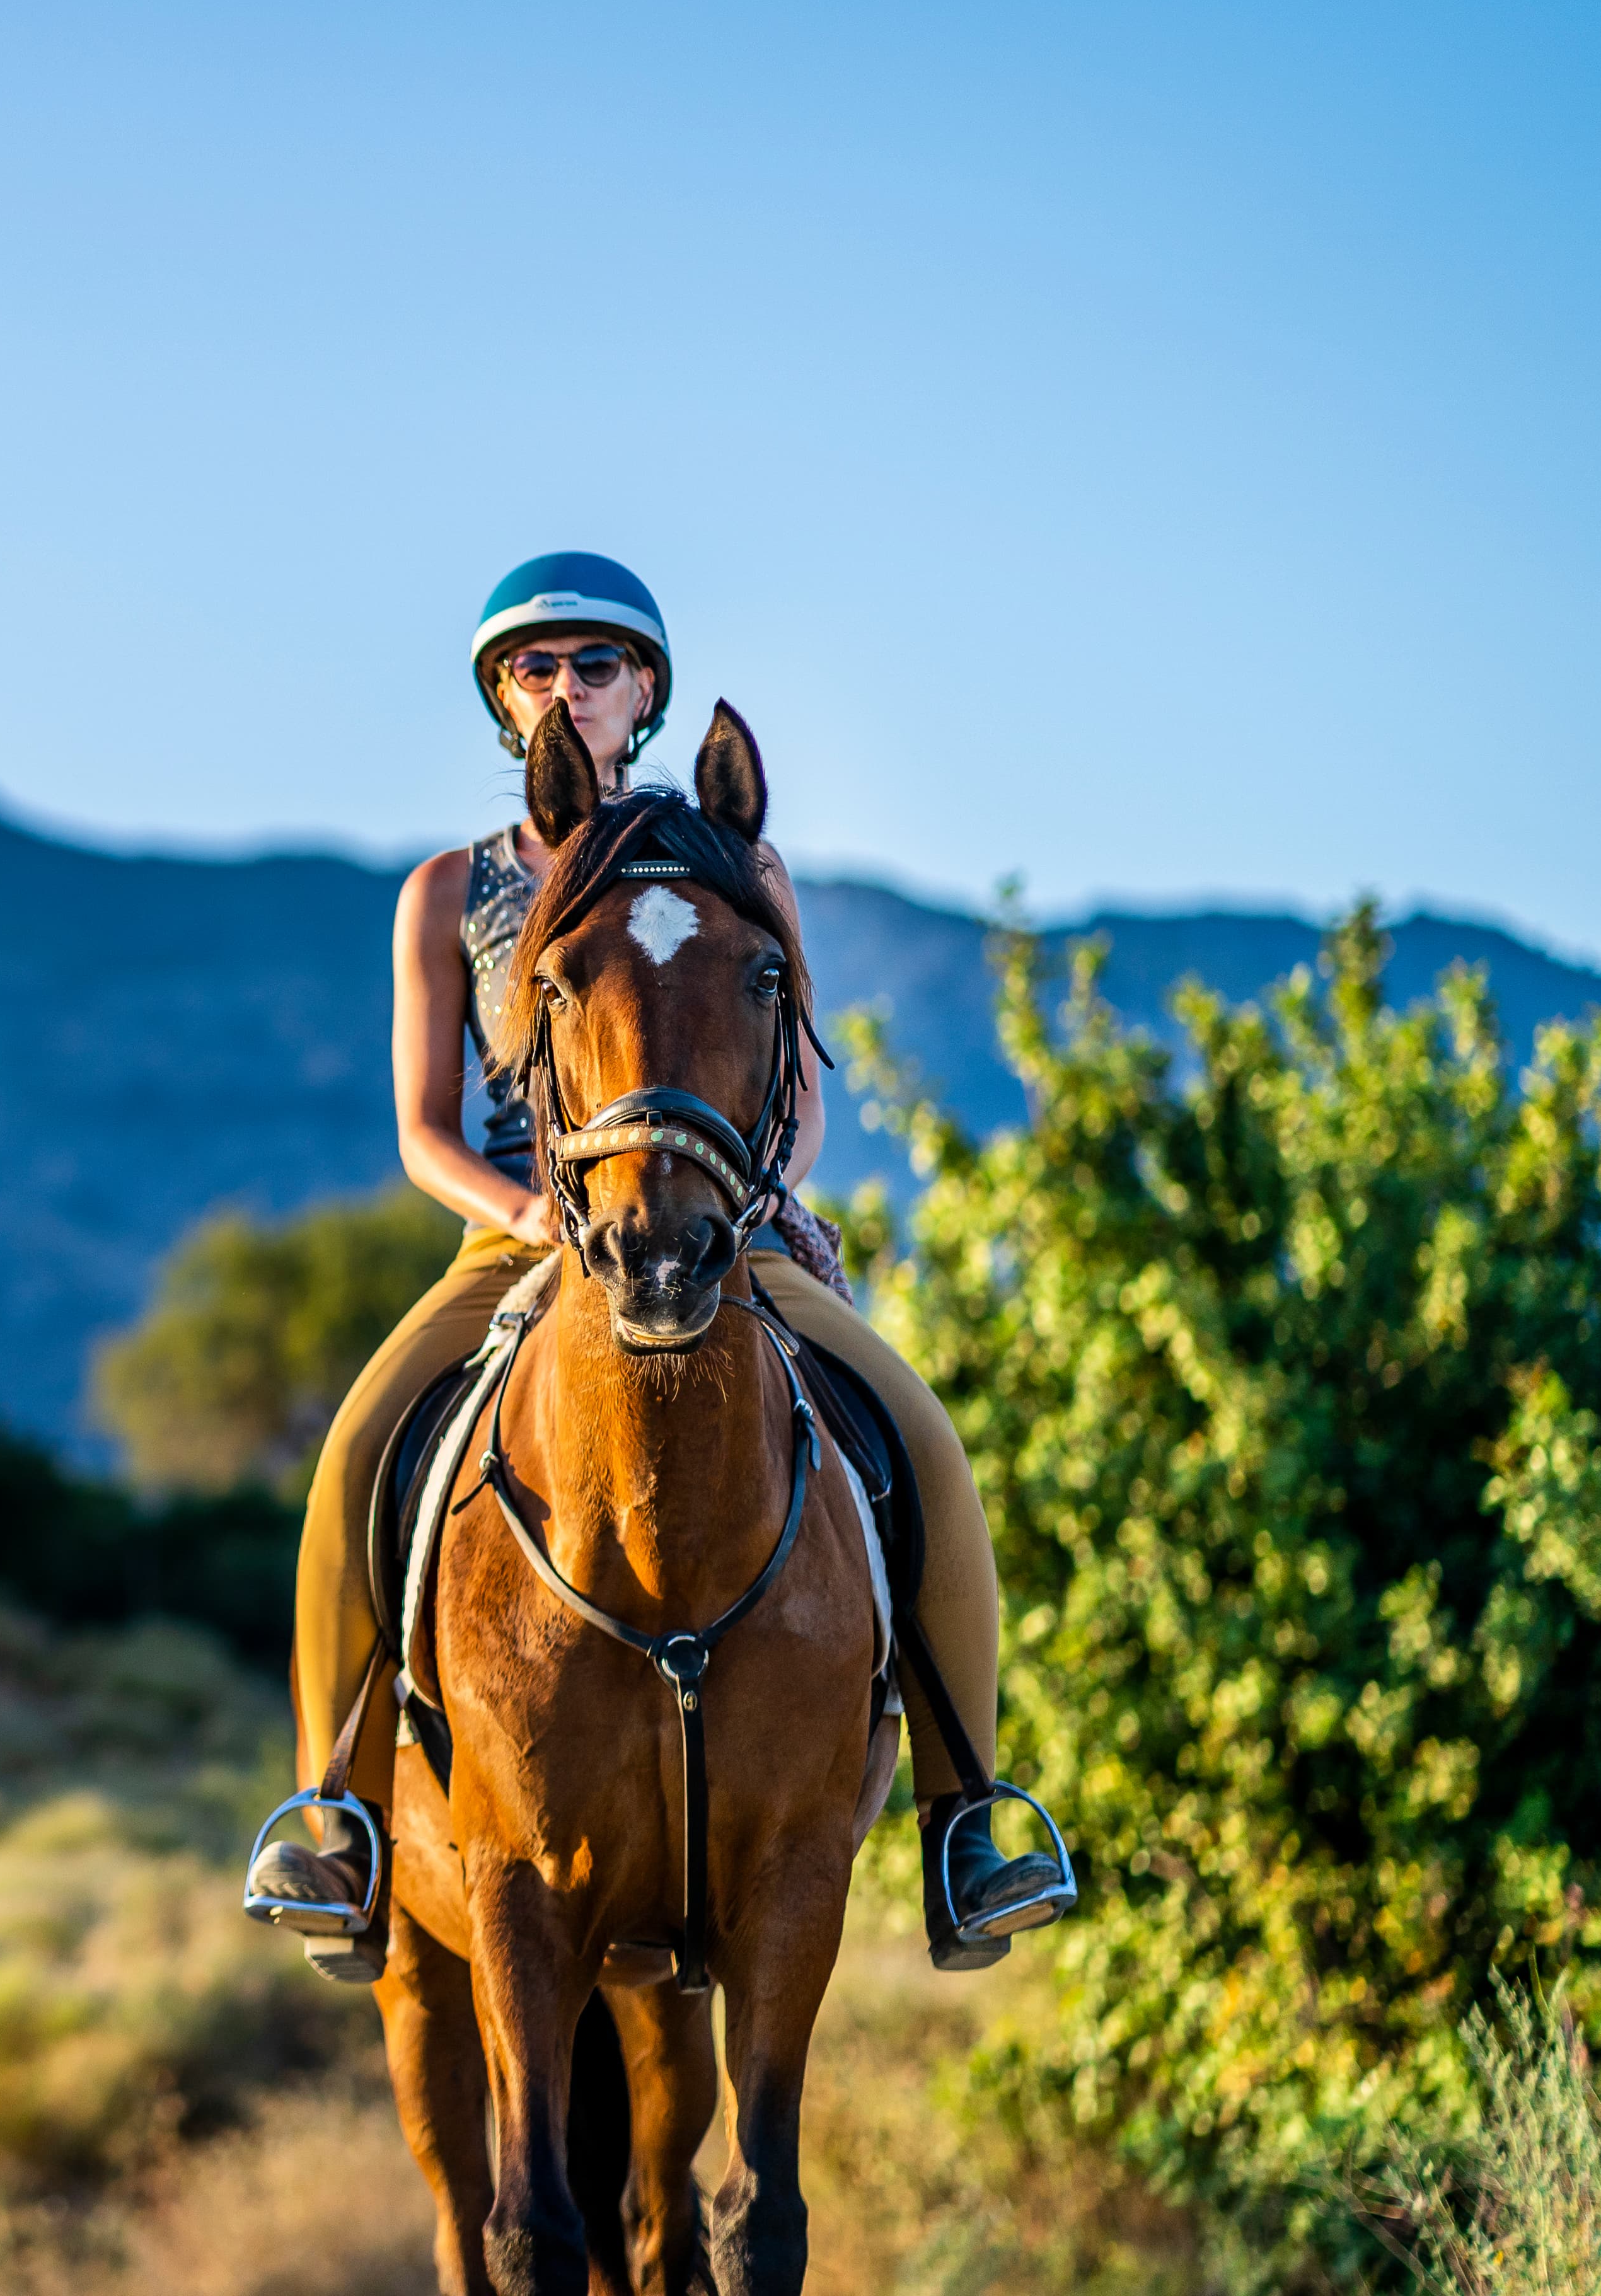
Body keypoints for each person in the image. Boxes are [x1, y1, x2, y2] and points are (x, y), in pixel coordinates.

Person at [244, 551, 1074, 1976]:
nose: (567, 687)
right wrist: (531, 1221)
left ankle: (969, 1818)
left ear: (646, 688)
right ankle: (334, 1815)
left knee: (923, 1438)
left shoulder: (741, 870)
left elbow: (798, 1098)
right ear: (506, 698)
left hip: (719, 1223)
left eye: (596, 663)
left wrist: (747, 1197)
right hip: (518, 1235)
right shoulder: (450, 890)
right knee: (354, 1460)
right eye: (536, 666)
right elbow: (424, 1131)